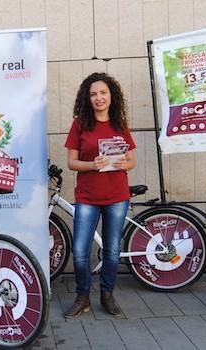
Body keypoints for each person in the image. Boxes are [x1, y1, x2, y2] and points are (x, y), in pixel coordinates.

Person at [63, 72, 137, 319]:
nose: (98, 98)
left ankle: (107, 295)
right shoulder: (80, 124)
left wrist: (120, 163)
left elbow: (131, 161)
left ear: (111, 95)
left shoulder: (119, 123)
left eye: (103, 93)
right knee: (80, 250)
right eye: (93, 94)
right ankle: (82, 296)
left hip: (117, 195)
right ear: (87, 98)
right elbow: (72, 163)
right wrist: (93, 165)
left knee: (112, 250)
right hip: (87, 196)